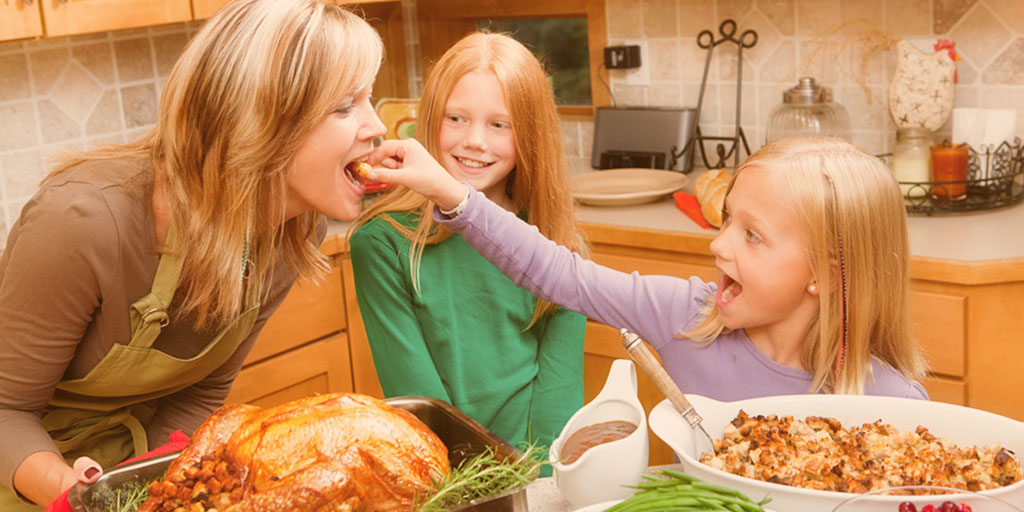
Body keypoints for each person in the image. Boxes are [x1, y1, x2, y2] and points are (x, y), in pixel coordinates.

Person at [0, 0, 386, 509]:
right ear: (260, 121)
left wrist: (157, 497)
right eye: (344, 106)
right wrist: (84, 498)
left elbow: (199, 394)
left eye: (369, 100)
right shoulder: (82, 221)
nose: (377, 126)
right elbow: (5, 412)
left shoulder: (296, 227)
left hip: (134, 474)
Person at [365, 136, 930, 403]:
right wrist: (448, 190)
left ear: (827, 276)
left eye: (752, 236)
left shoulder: (892, 404)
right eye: (726, 221)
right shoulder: (688, 316)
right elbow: (559, 273)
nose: (720, 247)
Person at [347, 32, 587, 466]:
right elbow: (425, 411)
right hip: (449, 478)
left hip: (539, 479)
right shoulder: (382, 244)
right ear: (431, 117)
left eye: (500, 124)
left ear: (531, 136)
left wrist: (543, 487)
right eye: (456, 118)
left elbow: (558, 406)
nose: (475, 140)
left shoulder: (559, 247)